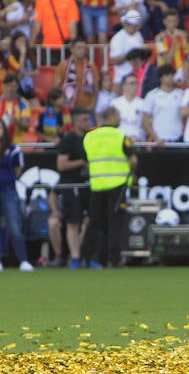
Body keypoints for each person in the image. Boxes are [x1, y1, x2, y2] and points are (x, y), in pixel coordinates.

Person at [80, 106, 137, 269]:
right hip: (117, 184)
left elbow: (85, 159)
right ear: (111, 116)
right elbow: (132, 159)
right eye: (118, 116)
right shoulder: (120, 136)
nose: (120, 119)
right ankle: (114, 259)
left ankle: (86, 256)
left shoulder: (89, 137)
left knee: (94, 222)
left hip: (97, 184)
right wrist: (132, 174)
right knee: (115, 222)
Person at [0, 118, 34, 273]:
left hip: (8, 191)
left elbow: (18, 169)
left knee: (14, 226)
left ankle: (23, 260)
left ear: (4, 130)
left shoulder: (14, 149)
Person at [50, 108, 92, 269]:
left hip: (88, 185)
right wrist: (81, 163)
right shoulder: (69, 140)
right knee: (72, 222)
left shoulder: (90, 138)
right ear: (75, 122)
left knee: (90, 221)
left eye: (89, 119)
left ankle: (87, 256)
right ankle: (74, 258)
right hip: (71, 185)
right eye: (84, 120)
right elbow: (61, 164)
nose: (88, 123)